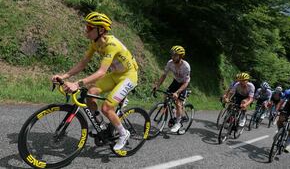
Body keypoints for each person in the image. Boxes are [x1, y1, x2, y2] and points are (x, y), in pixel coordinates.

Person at [51, 11, 139, 151]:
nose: (86, 30)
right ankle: (101, 125)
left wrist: (77, 84)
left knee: (106, 107)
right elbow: (83, 63)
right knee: (91, 94)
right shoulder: (95, 43)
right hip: (116, 74)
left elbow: (101, 72)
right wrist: (65, 76)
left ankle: (123, 133)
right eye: (87, 26)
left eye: (89, 28)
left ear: (101, 30)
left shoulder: (111, 44)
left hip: (129, 76)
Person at [153, 45, 191, 132]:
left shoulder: (186, 66)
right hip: (175, 82)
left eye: (175, 55)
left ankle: (178, 122)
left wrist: (177, 92)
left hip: (183, 84)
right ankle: (172, 112)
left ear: (180, 56)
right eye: (172, 55)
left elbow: (186, 82)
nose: (173, 57)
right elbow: (164, 75)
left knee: (178, 103)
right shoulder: (170, 63)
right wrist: (157, 85)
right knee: (166, 96)